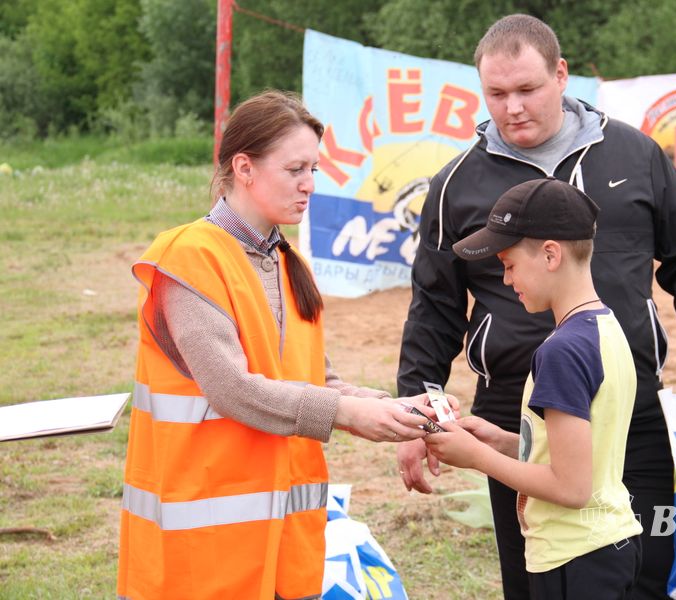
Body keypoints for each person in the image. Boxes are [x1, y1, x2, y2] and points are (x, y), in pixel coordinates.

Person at [396, 14, 676, 600]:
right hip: (514, 404)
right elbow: (434, 306)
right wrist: (414, 410)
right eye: (496, 94)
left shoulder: (636, 154)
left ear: (561, 75)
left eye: (527, 89)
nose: (512, 107)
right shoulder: (456, 184)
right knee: (539, 578)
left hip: (628, 403)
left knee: (645, 575)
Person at [117, 90, 442, 599]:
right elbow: (231, 388)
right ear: (243, 168)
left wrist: (392, 407)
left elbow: (319, 381)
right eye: (295, 170)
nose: (310, 185)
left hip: (285, 540)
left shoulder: (290, 263)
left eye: (314, 169)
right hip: (205, 549)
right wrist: (348, 414)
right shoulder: (187, 257)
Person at [426, 177, 643, 599]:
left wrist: (479, 458)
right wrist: (505, 442)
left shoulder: (561, 351)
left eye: (508, 265)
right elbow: (580, 454)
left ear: (549, 255)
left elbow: (570, 488)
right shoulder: (605, 328)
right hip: (606, 544)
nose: (506, 280)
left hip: (572, 557)